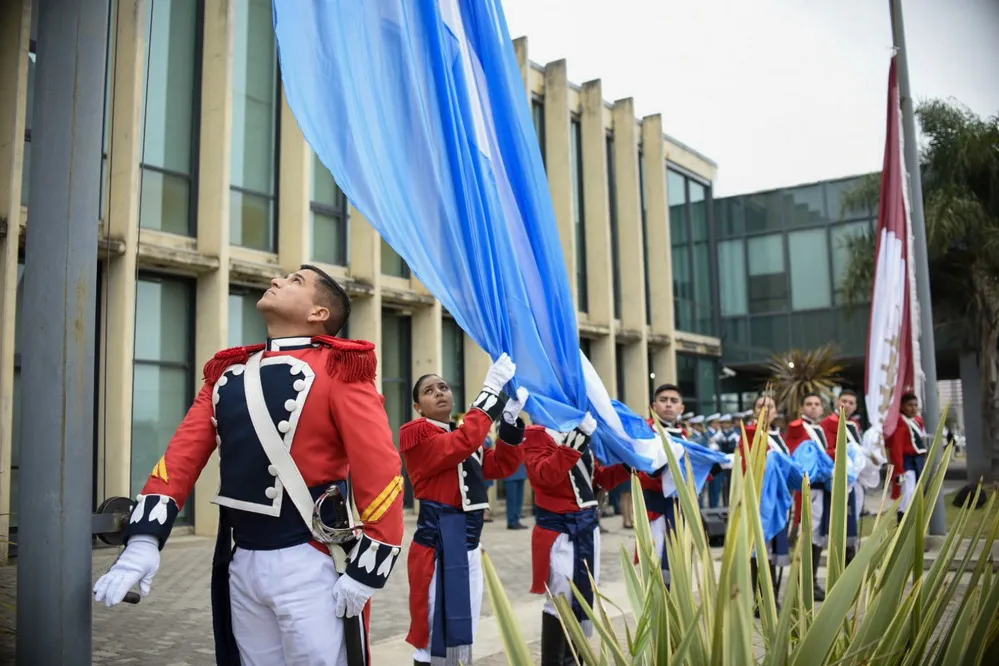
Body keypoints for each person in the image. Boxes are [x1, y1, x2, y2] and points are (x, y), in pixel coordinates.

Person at [94, 265, 405, 666]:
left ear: (319, 314)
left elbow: (379, 471)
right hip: (241, 559)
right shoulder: (228, 373)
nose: (276, 280)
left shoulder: (340, 368)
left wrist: (368, 568)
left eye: (295, 281)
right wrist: (143, 541)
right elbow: (180, 458)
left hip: (309, 560)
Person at [402, 358, 528, 665]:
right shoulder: (417, 432)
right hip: (437, 545)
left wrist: (510, 423)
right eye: (430, 391)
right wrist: (490, 391)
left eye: (443, 387)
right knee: (433, 633)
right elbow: (462, 442)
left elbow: (501, 465)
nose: (440, 392)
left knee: (464, 625)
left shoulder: (463, 434)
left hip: (470, 543)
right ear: (419, 407)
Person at [524, 413, 629, 665]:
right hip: (559, 531)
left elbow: (597, 479)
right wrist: (578, 437)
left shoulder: (577, 428)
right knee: (560, 601)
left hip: (587, 527)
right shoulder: (536, 433)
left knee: (583, 596)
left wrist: (629, 463)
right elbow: (545, 475)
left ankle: (577, 660)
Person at [740, 394, 793, 611]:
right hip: (760, 501)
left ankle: (772, 597)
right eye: (761, 405)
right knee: (759, 549)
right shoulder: (750, 433)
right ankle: (761, 601)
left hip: (780, 500)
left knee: (773, 550)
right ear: (754, 411)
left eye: (769, 406)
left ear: (775, 411)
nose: (765, 409)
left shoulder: (778, 435)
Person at [639, 384, 693, 586]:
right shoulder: (646, 431)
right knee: (655, 570)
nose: (668, 404)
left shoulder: (684, 435)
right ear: (654, 405)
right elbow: (639, 470)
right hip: (656, 511)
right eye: (663, 400)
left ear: (681, 408)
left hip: (681, 512)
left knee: (680, 569)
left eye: (674, 401)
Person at [785, 392, 830, 602]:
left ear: (822, 409)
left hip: (823, 487)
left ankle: (811, 581)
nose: (813, 407)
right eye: (809, 404)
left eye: (817, 404)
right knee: (807, 533)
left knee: (818, 535)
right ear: (802, 408)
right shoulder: (798, 427)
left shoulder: (820, 429)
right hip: (807, 489)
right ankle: (805, 583)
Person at [820, 389, 863, 564]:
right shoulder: (829, 422)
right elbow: (826, 450)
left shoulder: (854, 424)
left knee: (853, 518)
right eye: (844, 401)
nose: (847, 405)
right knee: (841, 521)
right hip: (837, 478)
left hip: (854, 478)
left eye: (851, 402)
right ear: (837, 402)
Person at [886, 392, 928, 524]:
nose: (913, 408)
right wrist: (899, 470)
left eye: (915, 405)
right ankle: (902, 518)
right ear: (902, 406)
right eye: (910, 405)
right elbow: (897, 447)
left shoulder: (918, 421)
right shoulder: (900, 422)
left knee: (917, 489)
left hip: (918, 459)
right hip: (906, 460)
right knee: (907, 491)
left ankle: (914, 518)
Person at [504, 458, 529, 530]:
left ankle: (516, 520)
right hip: (511, 470)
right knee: (512, 499)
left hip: (521, 469)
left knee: (519, 499)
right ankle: (511, 521)